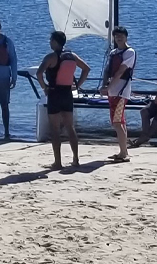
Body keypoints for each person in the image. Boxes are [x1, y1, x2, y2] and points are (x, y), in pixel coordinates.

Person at [36, 31, 89, 169]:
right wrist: (77, 86)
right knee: (70, 127)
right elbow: (86, 69)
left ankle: (58, 162)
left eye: (50, 40)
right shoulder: (72, 56)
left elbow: (39, 73)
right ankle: (76, 159)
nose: (49, 42)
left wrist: (44, 88)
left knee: (54, 129)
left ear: (55, 41)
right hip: (67, 94)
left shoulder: (51, 57)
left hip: (54, 93)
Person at [102, 26, 137, 162]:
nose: (119, 38)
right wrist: (104, 85)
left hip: (121, 92)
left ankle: (124, 154)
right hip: (112, 91)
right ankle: (123, 151)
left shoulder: (130, 52)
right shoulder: (113, 52)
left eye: (121, 36)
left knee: (117, 122)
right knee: (119, 122)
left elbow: (121, 71)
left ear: (126, 37)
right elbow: (107, 70)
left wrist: (109, 86)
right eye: (116, 36)